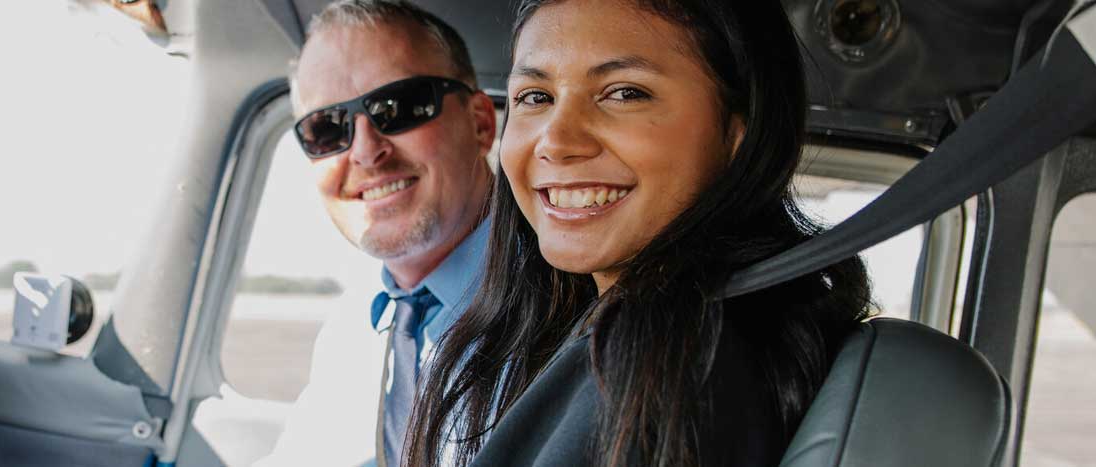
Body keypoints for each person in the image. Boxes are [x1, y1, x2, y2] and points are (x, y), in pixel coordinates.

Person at [403, 0, 873, 466]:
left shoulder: (673, 362)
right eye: (535, 97)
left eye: (625, 93)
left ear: (739, 134)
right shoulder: (704, 334)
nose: (557, 142)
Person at [255, 1, 498, 466]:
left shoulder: (575, 309)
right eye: (327, 128)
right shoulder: (355, 322)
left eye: (400, 107)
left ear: (480, 123)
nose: (366, 151)